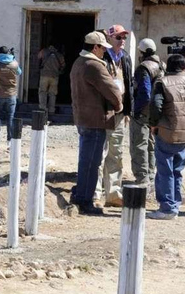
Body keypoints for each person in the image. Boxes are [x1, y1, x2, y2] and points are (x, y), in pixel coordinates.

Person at [69, 31, 123, 215]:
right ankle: (85, 200)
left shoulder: (78, 62)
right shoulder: (95, 65)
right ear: (95, 47)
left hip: (82, 118)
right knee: (92, 163)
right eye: (102, 48)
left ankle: (81, 194)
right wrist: (119, 105)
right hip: (95, 120)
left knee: (86, 160)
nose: (104, 52)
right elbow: (113, 91)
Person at [147, 54, 185, 220]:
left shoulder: (163, 82)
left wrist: (153, 124)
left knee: (165, 171)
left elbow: (156, 105)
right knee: (177, 171)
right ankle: (175, 205)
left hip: (166, 130)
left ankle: (167, 207)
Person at [95, 24, 133, 207]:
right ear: (109, 38)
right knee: (99, 153)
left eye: (124, 38)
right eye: (118, 37)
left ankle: (113, 194)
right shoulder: (101, 57)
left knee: (116, 153)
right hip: (103, 111)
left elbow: (129, 84)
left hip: (119, 112)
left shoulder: (125, 57)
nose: (122, 41)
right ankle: (95, 193)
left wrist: (127, 110)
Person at [130, 38, 165, 186]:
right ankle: (150, 175)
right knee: (151, 144)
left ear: (141, 52)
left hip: (143, 112)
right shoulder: (162, 65)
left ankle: (142, 177)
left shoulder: (144, 67)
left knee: (139, 144)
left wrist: (136, 111)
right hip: (156, 112)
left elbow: (144, 92)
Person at [0, 46, 22, 140]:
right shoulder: (14, 64)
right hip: (11, 95)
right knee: (11, 117)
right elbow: (19, 72)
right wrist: (13, 58)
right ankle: (10, 138)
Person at [37, 44, 66, 116]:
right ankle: (51, 110)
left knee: (42, 92)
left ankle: (43, 109)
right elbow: (63, 65)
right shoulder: (59, 55)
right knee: (52, 94)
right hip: (54, 76)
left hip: (44, 75)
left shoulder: (43, 51)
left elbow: (38, 57)